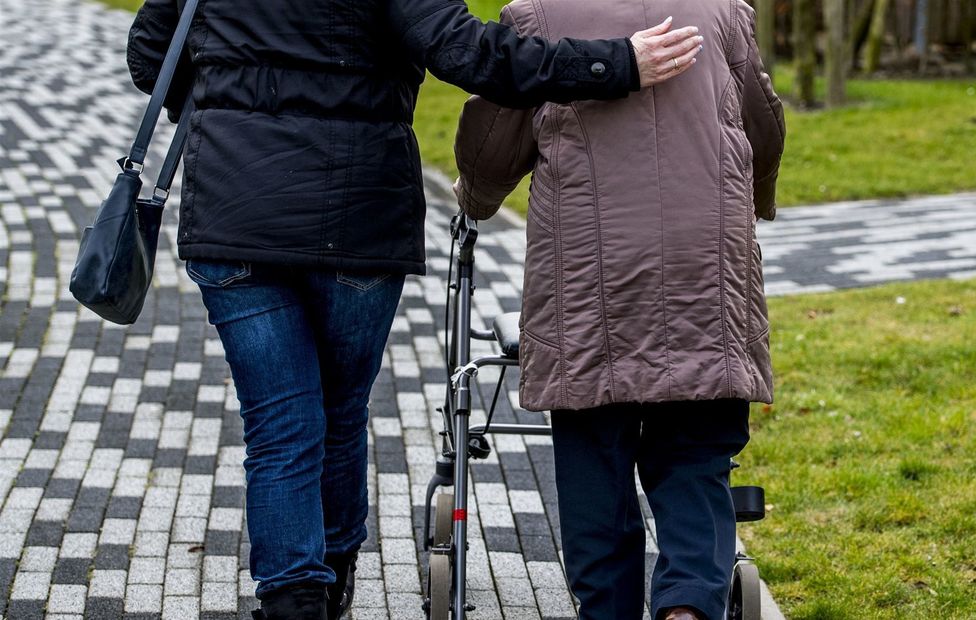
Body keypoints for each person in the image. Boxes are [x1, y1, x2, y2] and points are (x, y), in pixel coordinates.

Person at [125, 1, 705, 618]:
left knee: (280, 423)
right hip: (356, 220)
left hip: (234, 210)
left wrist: (233, 111)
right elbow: (472, 55)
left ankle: (296, 596)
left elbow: (149, 55)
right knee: (339, 409)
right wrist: (615, 63)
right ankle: (331, 573)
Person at [453, 0, 785, 617]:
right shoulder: (721, 9)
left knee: (596, 458)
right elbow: (760, 123)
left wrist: (475, 198)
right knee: (694, 455)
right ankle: (687, 605)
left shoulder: (538, 17)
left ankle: (607, 607)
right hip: (702, 262)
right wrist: (756, 196)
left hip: (589, 276)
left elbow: (495, 139)